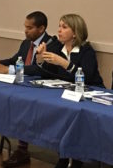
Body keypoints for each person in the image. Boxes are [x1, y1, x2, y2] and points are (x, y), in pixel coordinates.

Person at [0, 11, 61, 168]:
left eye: (29, 28)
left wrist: (9, 69)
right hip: (20, 83)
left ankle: (22, 151)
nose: (25, 31)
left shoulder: (53, 45)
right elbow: (14, 60)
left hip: (39, 87)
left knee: (22, 105)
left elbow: (38, 70)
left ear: (41, 28)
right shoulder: (26, 43)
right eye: (25, 27)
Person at [36, 14, 104, 168]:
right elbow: (48, 73)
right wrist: (40, 58)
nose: (59, 30)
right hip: (67, 94)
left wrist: (64, 63)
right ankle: (64, 156)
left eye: (64, 27)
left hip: (90, 94)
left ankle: (75, 159)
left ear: (75, 32)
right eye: (59, 26)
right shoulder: (56, 47)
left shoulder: (86, 50)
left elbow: (86, 76)